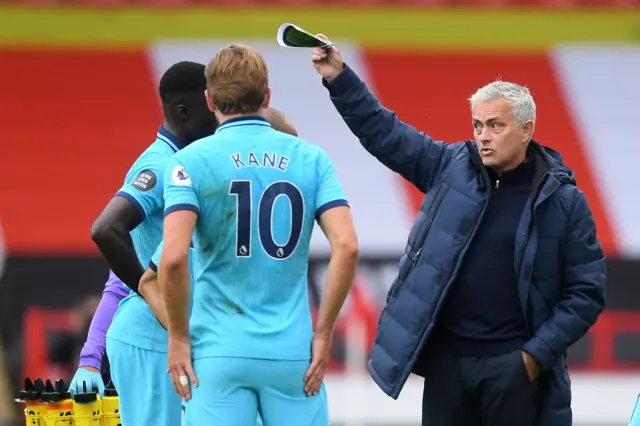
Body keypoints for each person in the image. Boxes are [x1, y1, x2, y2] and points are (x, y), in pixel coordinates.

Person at [311, 36, 606, 426]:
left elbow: (587, 292)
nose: (482, 135)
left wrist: (532, 359)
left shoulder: (565, 202)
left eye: (495, 125)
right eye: (478, 125)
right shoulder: (448, 166)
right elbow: (386, 133)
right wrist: (340, 79)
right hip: (448, 369)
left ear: (526, 129)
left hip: (516, 372)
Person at [70, 60, 297, 426]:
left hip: (185, 338)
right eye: (212, 106)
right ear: (183, 110)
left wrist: (247, 104)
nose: (219, 115)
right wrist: (151, 293)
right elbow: (105, 230)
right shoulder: (161, 166)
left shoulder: (198, 162)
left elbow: (288, 132)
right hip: (152, 339)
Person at [159, 44, 358, 426]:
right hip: (293, 355)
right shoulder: (312, 159)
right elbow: (347, 246)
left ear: (210, 99)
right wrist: (325, 332)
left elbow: (172, 258)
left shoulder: (187, 162)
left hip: (219, 353)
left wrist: (179, 339)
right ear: (267, 97)